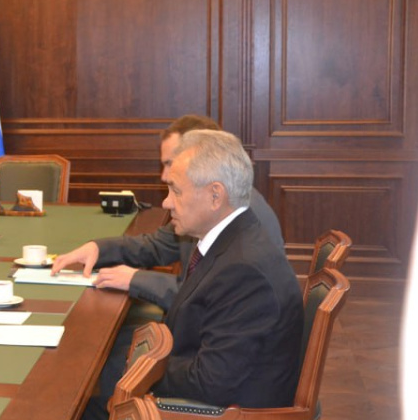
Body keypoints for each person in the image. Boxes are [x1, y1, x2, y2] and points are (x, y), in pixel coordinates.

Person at [40, 130, 303, 420]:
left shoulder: (245, 270)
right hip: (211, 419)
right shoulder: (232, 242)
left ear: (216, 195)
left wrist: (140, 366)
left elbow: (209, 381)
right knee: (74, 413)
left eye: (176, 191)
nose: (166, 202)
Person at [52, 114, 283, 311]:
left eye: (172, 163)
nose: (164, 176)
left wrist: (135, 278)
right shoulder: (205, 209)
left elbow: (208, 298)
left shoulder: (240, 218)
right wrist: (98, 248)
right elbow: (156, 246)